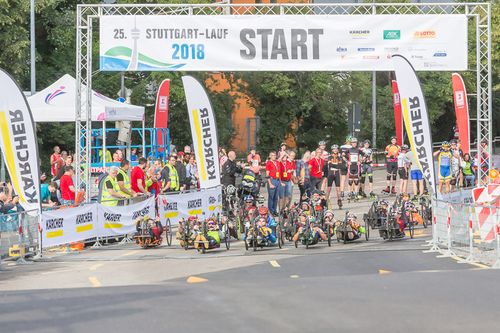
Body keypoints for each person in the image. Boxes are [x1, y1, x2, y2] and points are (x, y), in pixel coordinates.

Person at [325, 145, 342, 209]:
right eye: (334, 149)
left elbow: (339, 166)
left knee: (338, 189)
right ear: (332, 150)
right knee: (329, 188)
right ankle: (325, 202)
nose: (335, 150)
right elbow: (330, 164)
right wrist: (336, 165)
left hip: (337, 173)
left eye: (336, 149)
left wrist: (334, 165)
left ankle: (339, 200)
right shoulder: (329, 157)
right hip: (330, 173)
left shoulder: (339, 157)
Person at [266, 151, 282, 216]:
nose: (274, 156)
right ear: (270, 156)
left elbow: (279, 173)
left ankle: (275, 210)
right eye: (272, 155)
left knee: (276, 197)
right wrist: (270, 183)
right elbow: (267, 174)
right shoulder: (268, 163)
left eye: (275, 155)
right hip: (272, 180)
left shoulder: (277, 162)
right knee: (271, 197)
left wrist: (280, 182)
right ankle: (271, 211)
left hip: (277, 180)